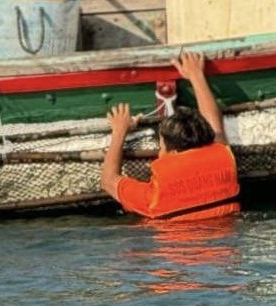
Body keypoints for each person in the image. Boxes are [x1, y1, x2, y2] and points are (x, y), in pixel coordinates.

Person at [100, 49, 240, 222]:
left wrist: (119, 130)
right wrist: (197, 76)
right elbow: (214, 124)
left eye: (161, 144)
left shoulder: (154, 197)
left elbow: (108, 180)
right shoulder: (222, 159)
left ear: (171, 150)